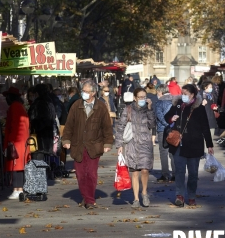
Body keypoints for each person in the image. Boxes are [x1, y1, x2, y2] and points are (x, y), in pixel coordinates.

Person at [62, 80, 114, 209]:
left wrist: (107, 143)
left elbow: (107, 127)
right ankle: (86, 196)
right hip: (78, 145)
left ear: (93, 93)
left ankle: (89, 200)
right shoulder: (76, 105)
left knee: (91, 173)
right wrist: (66, 140)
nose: (83, 93)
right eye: (83, 91)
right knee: (80, 174)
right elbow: (69, 125)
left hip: (94, 145)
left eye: (86, 91)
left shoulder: (101, 106)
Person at [164, 84, 214, 207]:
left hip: (194, 144)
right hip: (178, 144)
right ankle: (179, 195)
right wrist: (172, 119)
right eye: (182, 93)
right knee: (180, 171)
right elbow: (166, 117)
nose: (183, 95)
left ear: (192, 94)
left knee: (193, 173)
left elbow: (205, 127)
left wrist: (209, 145)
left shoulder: (199, 108)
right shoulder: (178, 105)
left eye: (185, 93)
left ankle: (191, 196)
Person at [114, 88, 156, 207]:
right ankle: (136, 199)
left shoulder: (148, 109)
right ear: (135, 98)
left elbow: (152, 124)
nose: (142, 99)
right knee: (135, 171)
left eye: (144, 97)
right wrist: (119, 145)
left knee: (145, 169)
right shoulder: (128, 109)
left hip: (145, 143)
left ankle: (144, 192)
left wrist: (149, 109)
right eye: (140, 97)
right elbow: (120, 127)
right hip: (132, 143)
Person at [2, 87, 30, 200]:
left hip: (16, 140)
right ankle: (19, 189)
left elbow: (14, 126)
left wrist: (10, 142)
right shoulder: (19, 106)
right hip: (21, 140)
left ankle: (17, 189)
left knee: (16, 165)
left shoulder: (14, 107)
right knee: (19, 166)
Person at [155, 84, 176, 182]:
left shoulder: (159, 102)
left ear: (160, 92)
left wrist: (166, 124)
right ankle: (175, 174)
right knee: (173, 152)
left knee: (163, 152)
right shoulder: (175, 100)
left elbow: (159, 115)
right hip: (174, 129)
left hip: (162, 129)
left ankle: (165, 174)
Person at [28, 84, 57, 153]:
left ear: (37, 93)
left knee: (41, 153)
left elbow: (31, 116)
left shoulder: (38, 103)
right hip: (49, 132)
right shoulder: (50, 101)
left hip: (40, 133)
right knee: (47, 153)